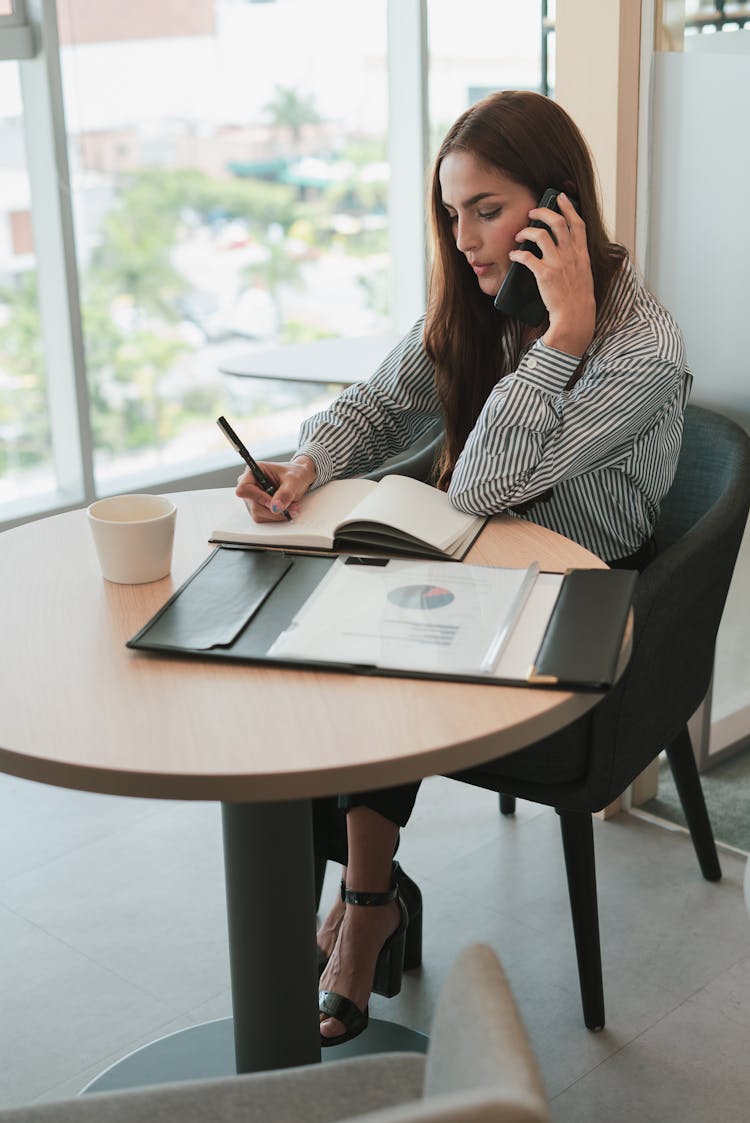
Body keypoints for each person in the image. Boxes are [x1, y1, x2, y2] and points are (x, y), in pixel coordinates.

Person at [235, 90, 691, 1047]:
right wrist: (307, 463)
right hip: (480, 564)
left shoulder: (636, 345)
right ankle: (371, 891)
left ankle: (364, 910)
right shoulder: (478, 300)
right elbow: (380, 399)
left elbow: (481, 480)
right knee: (325, 643)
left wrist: (560, 338)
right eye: (454, 212)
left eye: (489, 209)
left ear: (559, 204)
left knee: (383, 655)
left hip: (581, 592)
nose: (469, 238)